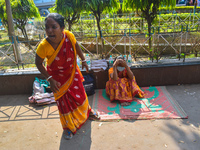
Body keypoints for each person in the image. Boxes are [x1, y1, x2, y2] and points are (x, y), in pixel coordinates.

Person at [35, 13, 99, 140]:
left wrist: (84, 61)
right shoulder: (43, 46)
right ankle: (68, 127)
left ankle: (88, 112)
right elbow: (38, 63)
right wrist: (49, 79)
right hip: (57, 80)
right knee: (64, 103)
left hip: (72, 73)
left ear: (62, 27)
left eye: (54, 27)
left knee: (80, 95)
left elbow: (76, 46)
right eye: (47, 27)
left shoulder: (68, 36)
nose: (49, 31)